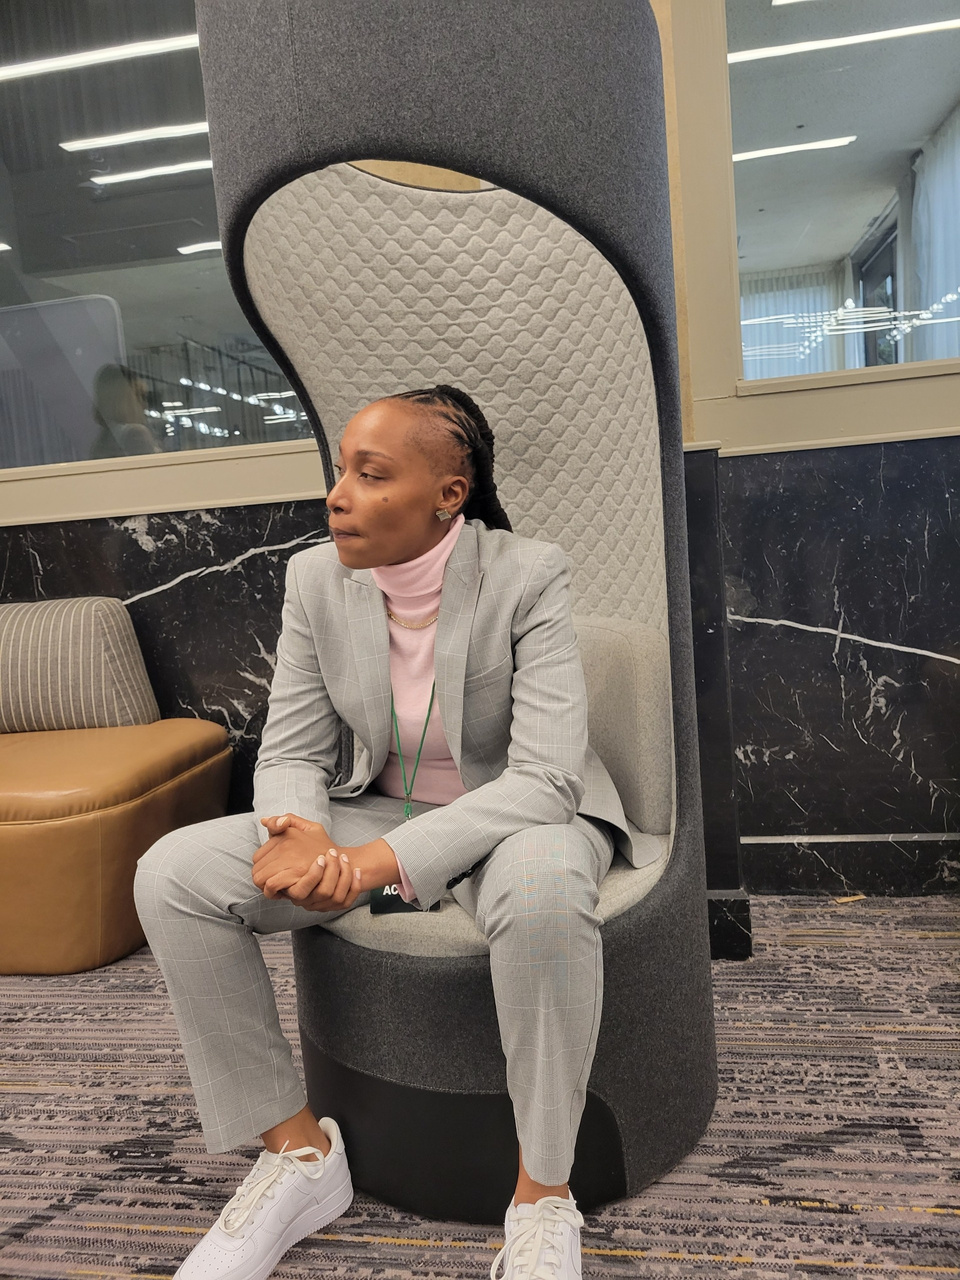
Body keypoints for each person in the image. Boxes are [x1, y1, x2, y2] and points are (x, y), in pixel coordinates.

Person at [134, 384, 633, 1280]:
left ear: (449, 493)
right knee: (173, 874)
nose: (338, 496)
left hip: (516, 814)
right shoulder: (315, 581)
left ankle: (541, 1196)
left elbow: (546, 777)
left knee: (547, 896)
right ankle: (300, 1156)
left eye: (371, 475)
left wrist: (376, 862)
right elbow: (293, 747)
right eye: (340, 472)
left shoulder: (529, 573)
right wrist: (298, 832)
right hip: (374, 803)